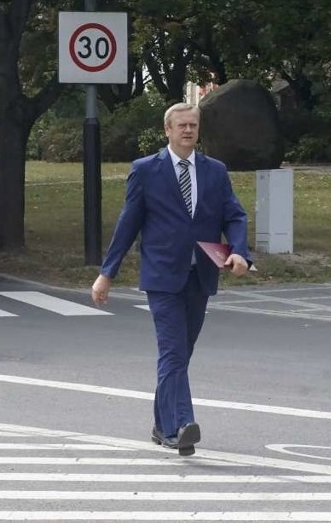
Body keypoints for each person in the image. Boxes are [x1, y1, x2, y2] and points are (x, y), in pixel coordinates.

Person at [90, 102, 251, 456]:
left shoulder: (215, 171)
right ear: (167, 130)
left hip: (201, 273)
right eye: (181, 125)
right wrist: (107, 274)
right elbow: (127, 224)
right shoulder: (146, 170)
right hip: (162, 275)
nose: (188, 131)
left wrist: (240, 250)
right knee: (173, 351)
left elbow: (234, 215)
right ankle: (182, 425)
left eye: (193, 125)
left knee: (180, 354)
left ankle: (161, 425)